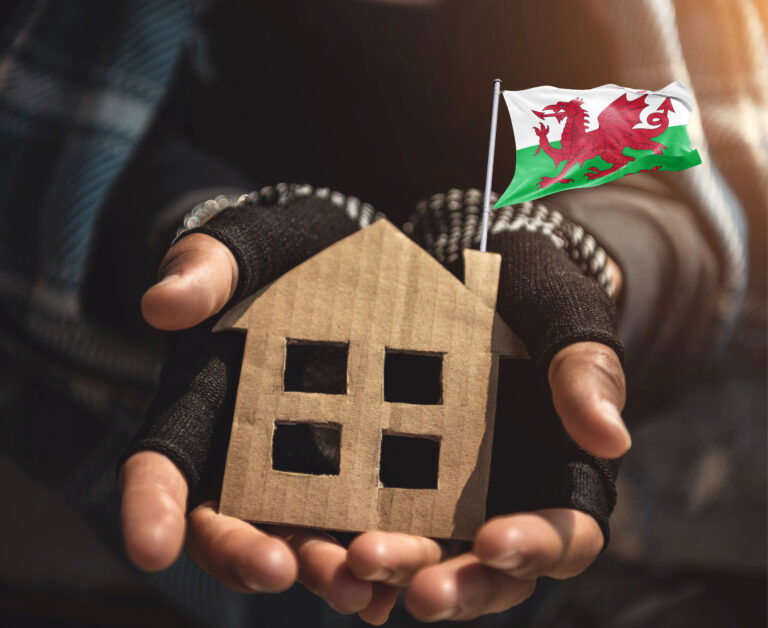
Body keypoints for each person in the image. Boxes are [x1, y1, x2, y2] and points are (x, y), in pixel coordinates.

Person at [1, 0, 764, 626]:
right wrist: (197, 227)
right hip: (124, 402)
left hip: (549, 437)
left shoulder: (618, 30)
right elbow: (85, 157)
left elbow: (684, 180)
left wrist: (587, 266)